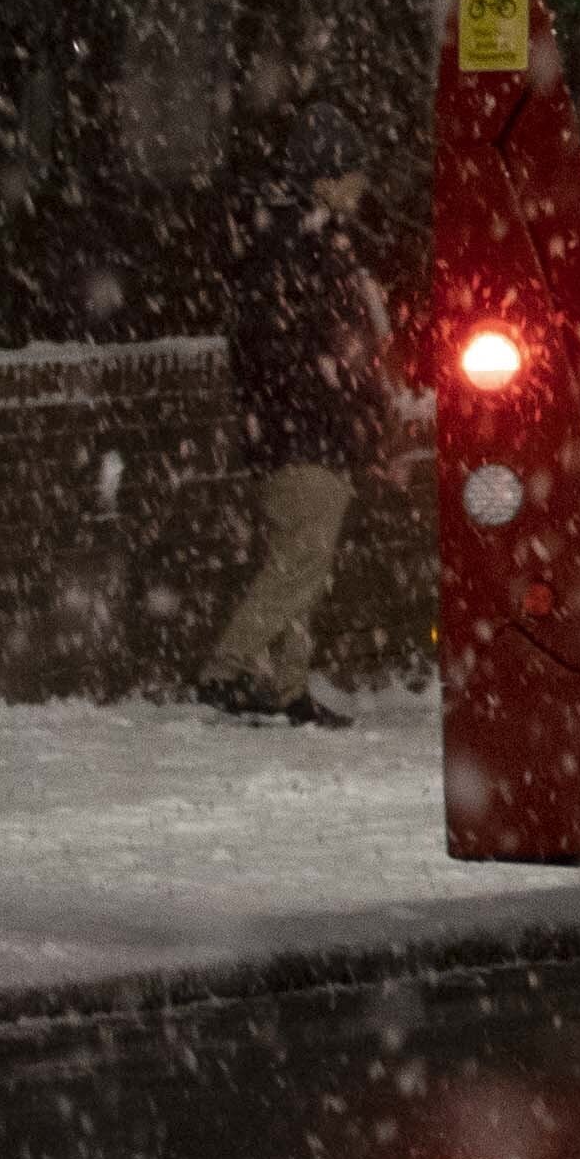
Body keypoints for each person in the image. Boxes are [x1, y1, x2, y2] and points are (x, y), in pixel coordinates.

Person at [196, 104, 398, 728]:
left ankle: (287, 686)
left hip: (289, 427)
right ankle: (227, 669)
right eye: (353, 173)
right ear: (326, 177)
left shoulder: (284, 239)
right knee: (303, 562)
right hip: (302, 432)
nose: (363, 186)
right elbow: (311, 346)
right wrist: (342, 405)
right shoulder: (300, 247)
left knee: (298, 559)